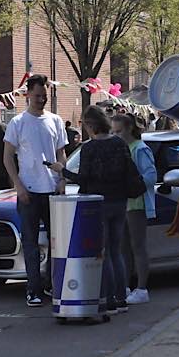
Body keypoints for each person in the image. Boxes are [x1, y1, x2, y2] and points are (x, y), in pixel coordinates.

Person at [50, 106, 134, 314]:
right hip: (120, 201)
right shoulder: (119, 144)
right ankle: (122, 298)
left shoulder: (89, 148)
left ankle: (109, 300)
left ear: (90, 125)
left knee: (102, 253)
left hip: (98, 204)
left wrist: (63, 171)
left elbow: (84, 178)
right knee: (117, 251)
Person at [3, 74, 67, 307]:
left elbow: (61, 153)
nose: (41, 100)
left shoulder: (56, 121)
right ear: (28, 94)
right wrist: (18, 185)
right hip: (29, 191)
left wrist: (61, 179)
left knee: (56, 241)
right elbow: (8, 157)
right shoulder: (18, 123)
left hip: (52, 190)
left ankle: (51, 283)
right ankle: (33, 289)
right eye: (38, 95)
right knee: (29, 242)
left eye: (44, 96)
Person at [112, 114, 157, 305]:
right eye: (113, 132)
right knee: (123, 248)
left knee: (137, 246)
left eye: (119, 131)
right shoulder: (120, 148)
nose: (116, 135)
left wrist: (132, 186)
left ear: (129, 128)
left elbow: (151, 175)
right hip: (122, 203)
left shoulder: (140, 148)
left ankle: (142, 288)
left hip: (136, 203)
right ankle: (126, 286)